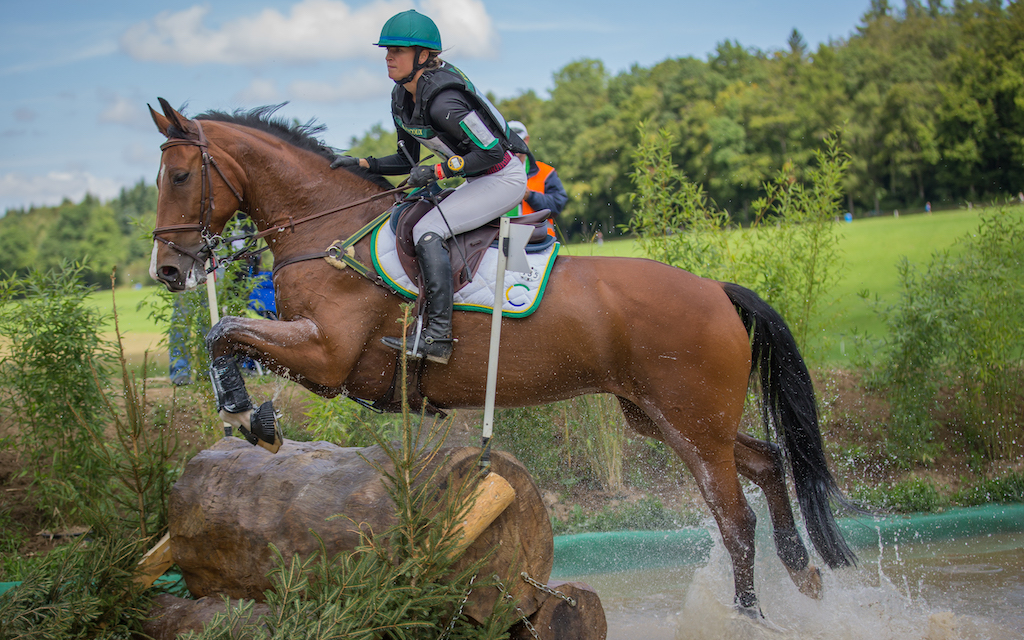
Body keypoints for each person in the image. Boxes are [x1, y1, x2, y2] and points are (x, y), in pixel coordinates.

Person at [330, 10, 528, 365]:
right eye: (387, 49)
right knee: (409, 214)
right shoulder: (402, 97)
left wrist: (438, 170)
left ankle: (438, 335)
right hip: (477, 178)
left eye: (399, 50)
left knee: (427, 229)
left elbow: (493, 153)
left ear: (422, 56)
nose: (389, 56)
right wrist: (364, 164)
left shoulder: (444, 102)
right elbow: (407, 160)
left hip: (502, 177)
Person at [507, 120, 568, 237]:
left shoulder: (546, 172)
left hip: (539, 241)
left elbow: (557, 205)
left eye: (517, 140)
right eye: (509, 142)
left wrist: (530, 196)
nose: (513, 146)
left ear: (526, 140)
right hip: (499, 241)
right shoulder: (492, 173)